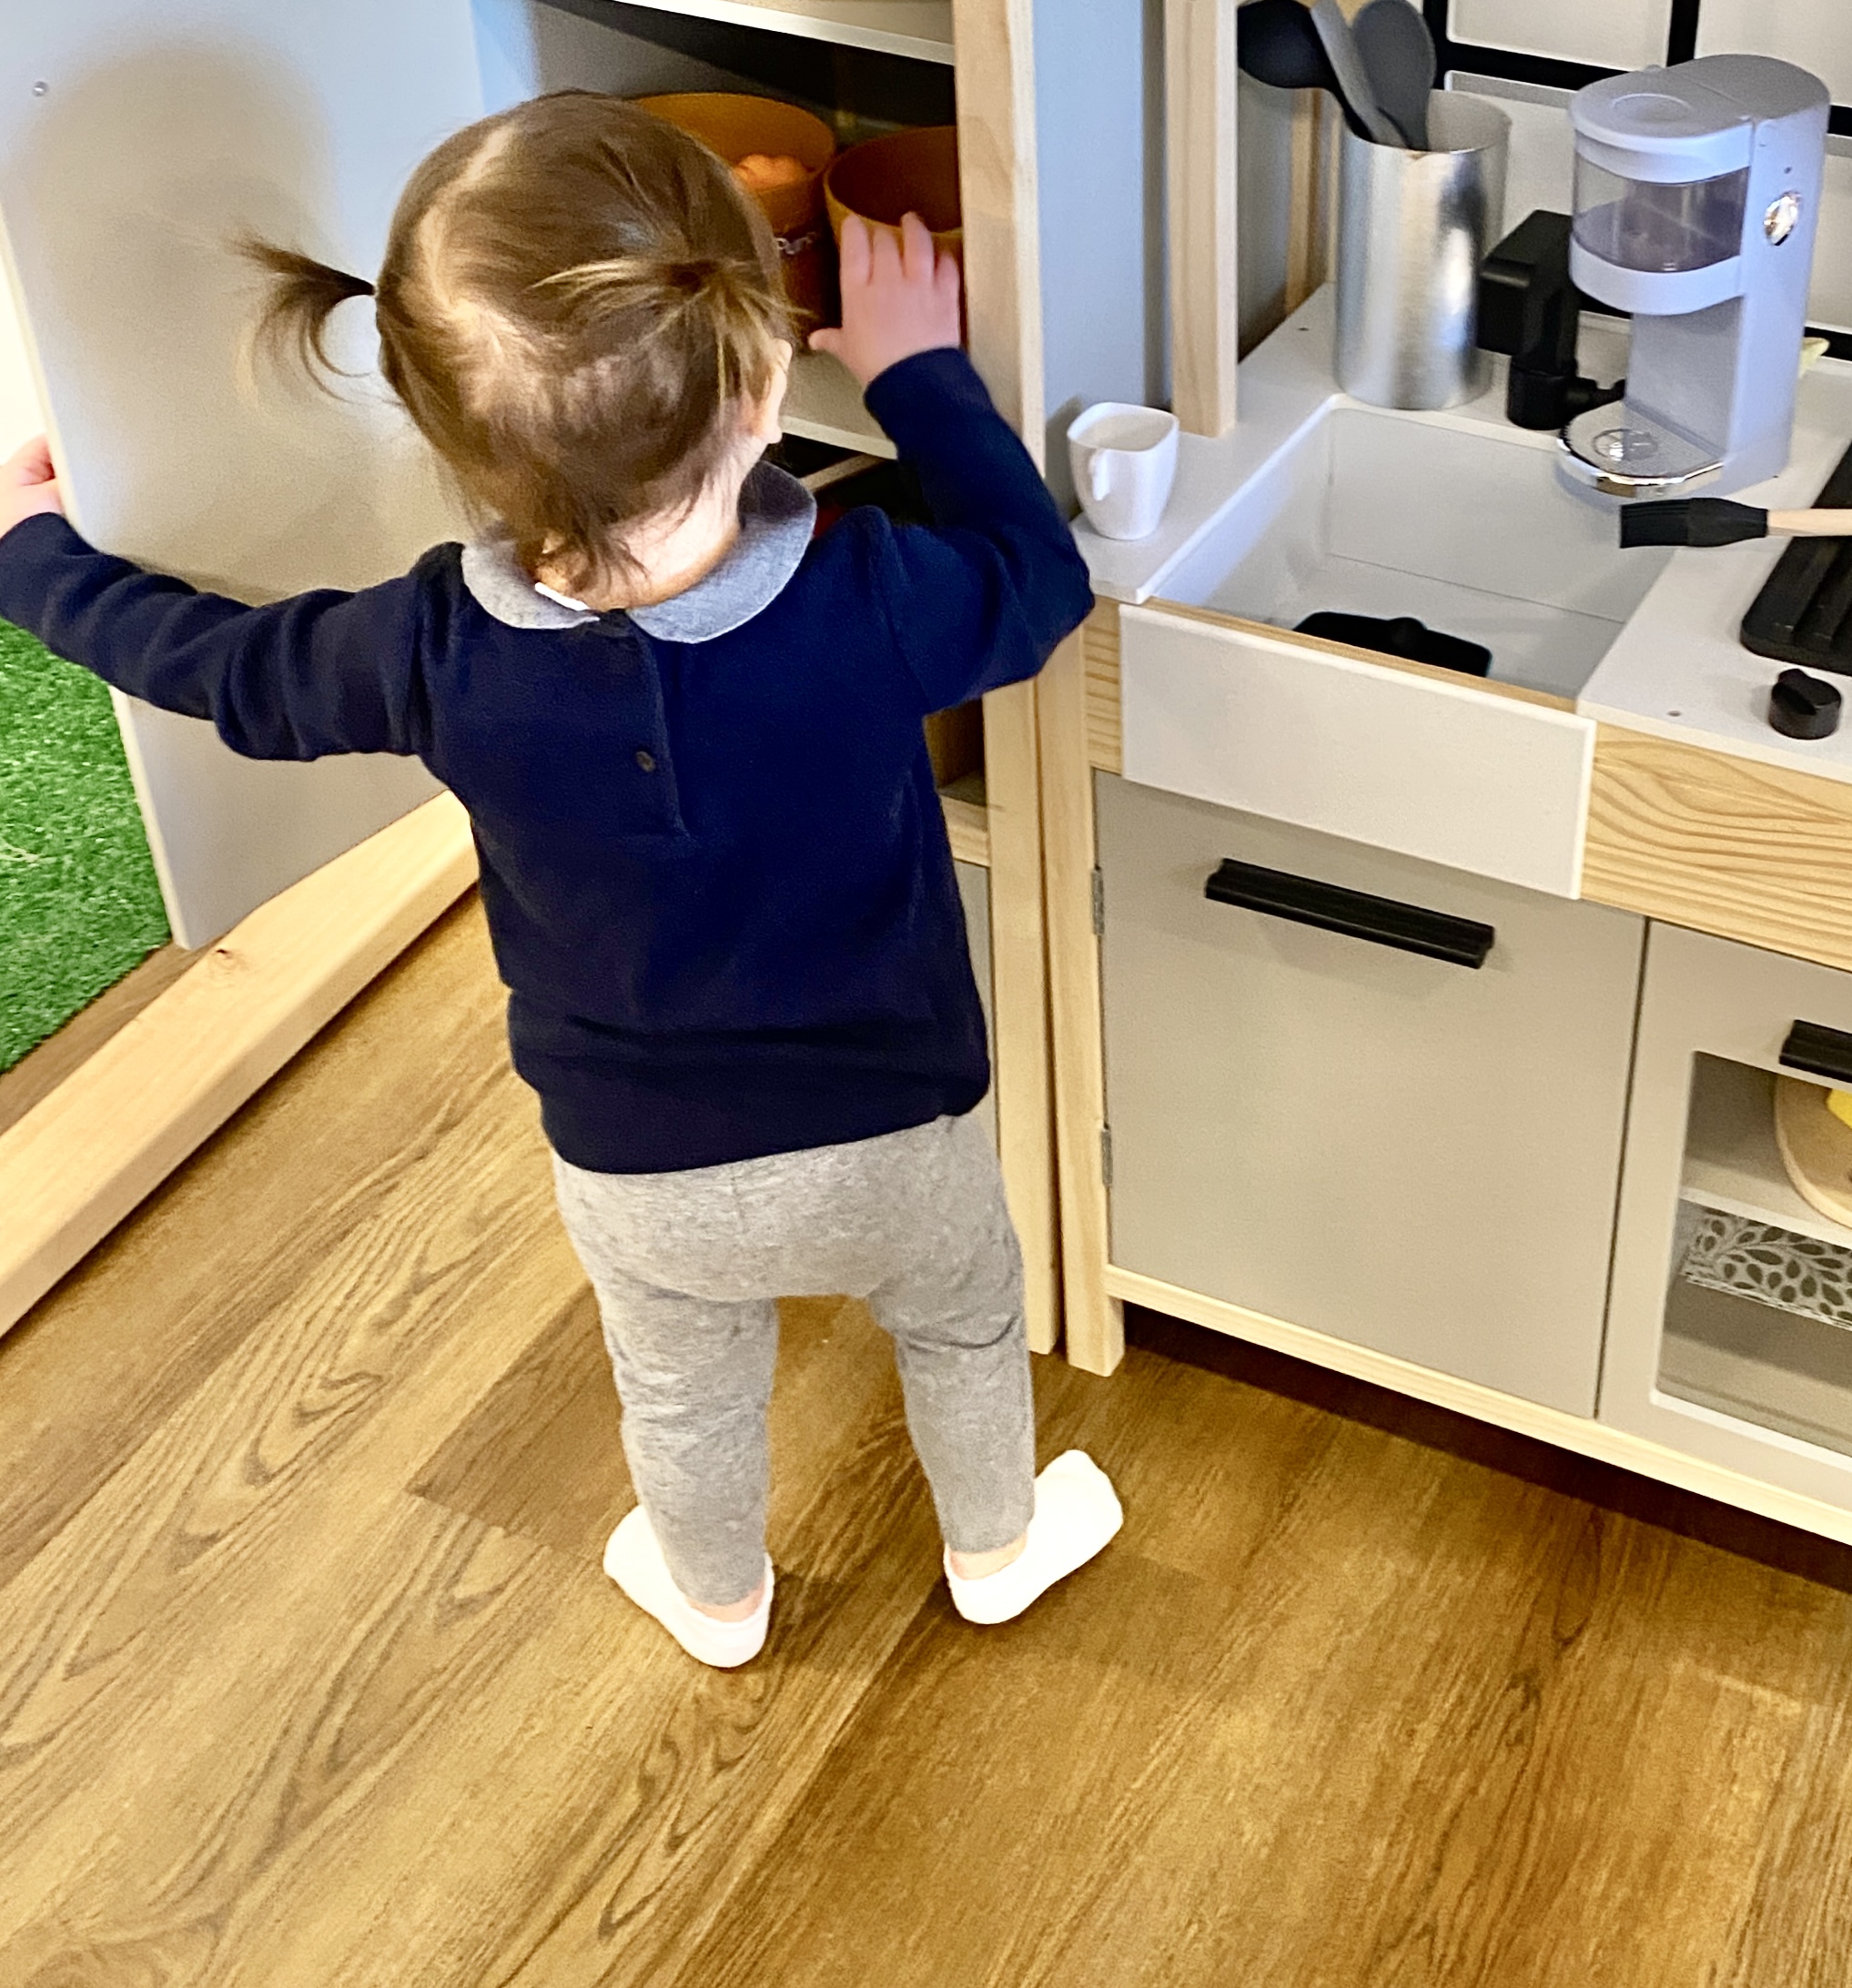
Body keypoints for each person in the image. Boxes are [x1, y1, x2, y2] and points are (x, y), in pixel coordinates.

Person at [0, 90, 1116, 1669]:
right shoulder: (874, 595)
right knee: (962, 1321)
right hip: (898, 1123)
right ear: (764, 382)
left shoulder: (431, 649)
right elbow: (1039, 581)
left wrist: (32, 556)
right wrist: (920, 373)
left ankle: (717, 1596)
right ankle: (995, 1549)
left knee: (682, 1384)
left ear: (437, 432)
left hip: (633, 1162)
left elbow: (222, 670)